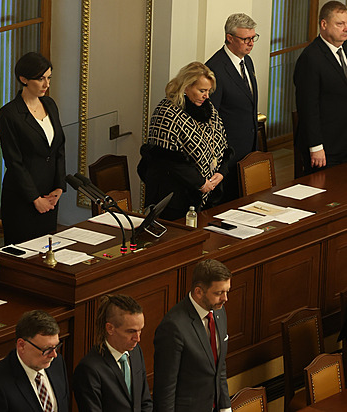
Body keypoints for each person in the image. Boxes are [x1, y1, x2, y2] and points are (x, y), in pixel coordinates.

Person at [138, 62, 233, 221]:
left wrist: (221, 172)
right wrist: (200, 182)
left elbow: (222, 145)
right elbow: (167, 159)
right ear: (186, 87)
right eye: (202, 91)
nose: (207, 96)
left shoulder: (208, 108)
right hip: (175, 197)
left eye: (209, 91)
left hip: (208, 194)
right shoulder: (166, 111)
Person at [0, 52, 66, 245]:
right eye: (41, 79)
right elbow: (14, 162)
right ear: (23, 79)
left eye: (49, 78)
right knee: (24, 256)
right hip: (22, 198)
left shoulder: (50, 105)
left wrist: (59, 187)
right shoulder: (9, 114)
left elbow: (59, 148)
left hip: (49, 196)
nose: (47, 84)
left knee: (47, 251)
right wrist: (35, 199)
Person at [153, 259, 232, 412]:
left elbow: (219, 366)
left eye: (227, 291)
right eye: (218, 293)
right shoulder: (173, 327)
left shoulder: (219, 311)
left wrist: (225, 407)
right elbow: (165, 388)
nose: (225, 298)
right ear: (198, 292)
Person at [206, 13, 259, 203]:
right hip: (227, 157)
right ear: (229, 38)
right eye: (246, 39)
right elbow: (210, 119)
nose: (251, 43)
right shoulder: (214, 69)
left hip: (249, 151)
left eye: (253, 38)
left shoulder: (248, 61)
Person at [0, 310, 69, 412]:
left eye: (56, 347)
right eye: (47, 350)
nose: (54, 355)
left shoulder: (57, 363)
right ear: (21, 345)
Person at [73, 295, 153, 412]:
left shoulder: (135, 351)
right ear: (110, 328)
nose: (137, 338)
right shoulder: (89, 369)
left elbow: (145, 402)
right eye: (131, 331)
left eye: (140, 330)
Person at [294, 1, 347, 175]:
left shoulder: (345, 48)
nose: (345, 28)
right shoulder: (310, 58)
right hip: (326, 148)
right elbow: (308, 106)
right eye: (340, 24)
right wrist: (316, 146)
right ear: (323, 24)